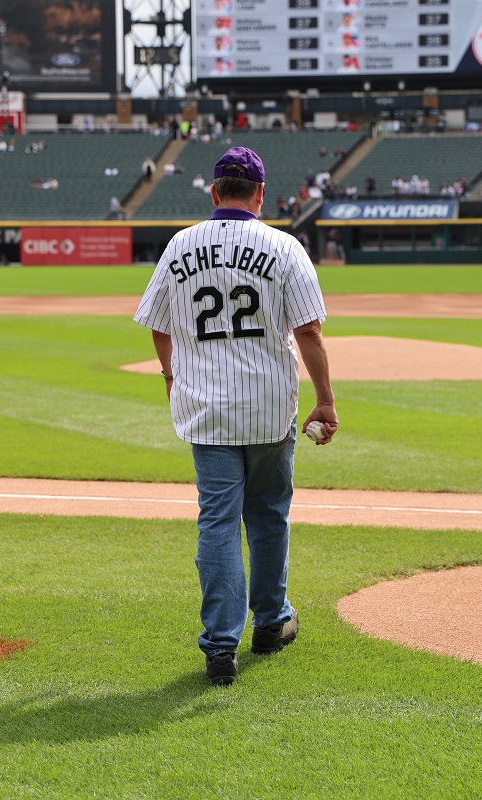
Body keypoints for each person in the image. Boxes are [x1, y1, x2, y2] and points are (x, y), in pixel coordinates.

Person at [133, 146, 338, 687]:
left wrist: (171, 374)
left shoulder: (181, 245)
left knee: (218, 521)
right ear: (261, 194)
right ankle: (270, 623)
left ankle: (220, 649)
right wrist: (326, 400)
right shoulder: (283, 245)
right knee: (268, 515)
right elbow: (309, 331)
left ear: (215, 193)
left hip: (206, 411)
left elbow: (157, 322)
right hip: (270, 407)